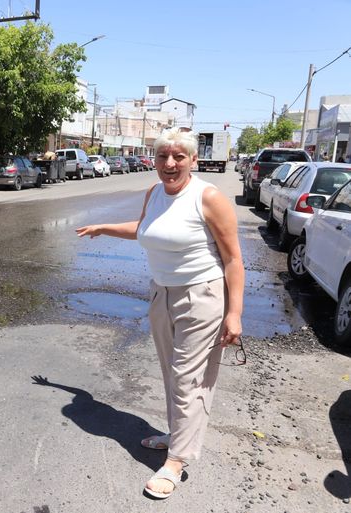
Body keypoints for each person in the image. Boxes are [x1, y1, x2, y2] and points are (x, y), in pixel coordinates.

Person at [75, 127, 244, 500]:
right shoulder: (154, 193)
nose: (170, 164)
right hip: (161, 294)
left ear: (193, 160)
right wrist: (104, 227)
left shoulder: (208, 197)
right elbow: (146, 229)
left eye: (178, 157)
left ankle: (177, 460)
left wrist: (235, 313)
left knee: (189, 379)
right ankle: (177, 434)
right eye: (163, 156)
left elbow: (233, 259)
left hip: (202, 297)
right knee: (172, 373)